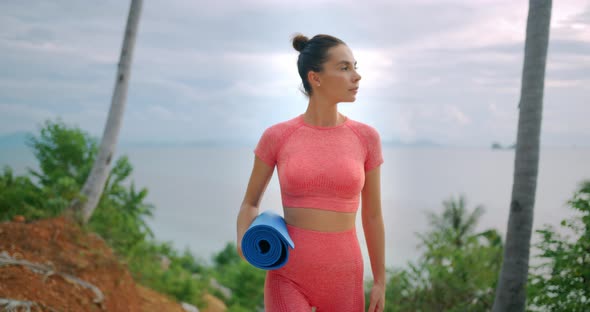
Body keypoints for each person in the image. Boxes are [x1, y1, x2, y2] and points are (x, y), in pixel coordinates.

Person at [236, 33, 386, 312]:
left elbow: (373, 216)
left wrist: (379, 281)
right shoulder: (277, 136)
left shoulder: (366, 138)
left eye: (355, 66)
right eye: (344, 68)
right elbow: (250, 202)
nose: (357, 76)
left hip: (345, 277)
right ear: (315, 77)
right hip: (287, 275)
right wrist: (243, 240)